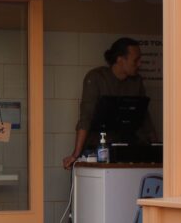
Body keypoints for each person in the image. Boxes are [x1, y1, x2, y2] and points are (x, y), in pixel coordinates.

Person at [62, 37, 156, 169]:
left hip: (128, 147)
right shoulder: (96, 78)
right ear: (120, 59)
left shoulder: (137, 82)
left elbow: (144, 116)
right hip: (98, 147)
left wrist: (156, 146)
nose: (139, 64)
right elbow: (86, 117)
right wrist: (76, 154)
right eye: (135, 60)